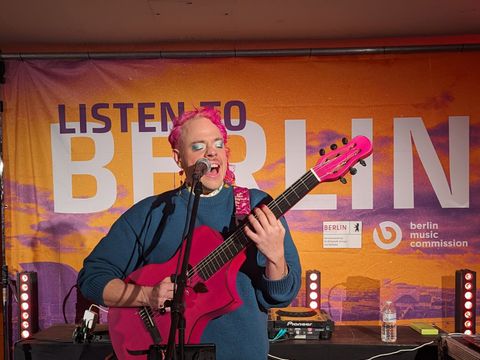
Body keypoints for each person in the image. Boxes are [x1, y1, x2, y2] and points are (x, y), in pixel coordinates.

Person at [77, 107, 302, 360]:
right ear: (178, 158)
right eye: (198, 146)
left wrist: (275, 257)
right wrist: (147, 296)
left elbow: (281, 296)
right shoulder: (151, 213)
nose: (211, 151)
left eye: (218, 143)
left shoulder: (255, 205)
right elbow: (92, 279)